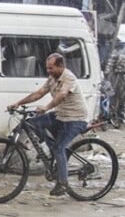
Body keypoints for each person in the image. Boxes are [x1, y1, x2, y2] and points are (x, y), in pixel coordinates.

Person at [7, 53, 88, 197]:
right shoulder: (52, 79)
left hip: (75, 119)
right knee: (33, 123)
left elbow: (63, 94)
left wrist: (47, 107)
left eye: (51, 68)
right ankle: (51, 149)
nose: (48, 71)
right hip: (60, 116)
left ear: (60, 66)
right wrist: (18, 103)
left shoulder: (68, 77)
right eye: (47, 68)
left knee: (59, 147)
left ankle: (63, 183)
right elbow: (39, 93)